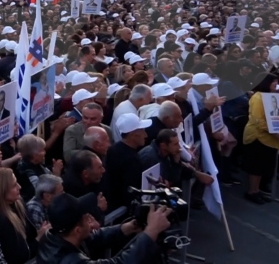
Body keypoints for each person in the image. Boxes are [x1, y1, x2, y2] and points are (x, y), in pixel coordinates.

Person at [36, 193, 170, 264]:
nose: (90, 218)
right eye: (86, 218)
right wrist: (151, 232)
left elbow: (93, 237)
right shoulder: (68, 260)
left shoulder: (54, 235)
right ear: (77, 230)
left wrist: (129, 227)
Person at [243, 73, 279, 204]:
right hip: (258, 137)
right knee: (256, 166)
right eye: (273, 81)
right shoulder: (257, 97)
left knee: (263, 166)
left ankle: (257, 190)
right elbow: (258, 121)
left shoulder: (273, 97)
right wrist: (276, 134)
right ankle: (252, 191)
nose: (275, 83)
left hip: (269, 139)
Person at [0, 167, 33, 264]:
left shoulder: (19, 203)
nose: (19, 187)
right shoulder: (0, 219)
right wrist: (38, 240)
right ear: (2, 190)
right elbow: (17, 257)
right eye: (14, 185)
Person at [105, 113, 151, 210]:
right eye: (142, 130)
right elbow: (130, 192)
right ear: (133, 135)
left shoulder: (113, 149)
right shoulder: (132, 160)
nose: (146, 135)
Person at [15, 135, 62, 202]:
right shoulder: (25, 170)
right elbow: (40, 191)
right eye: (42, 150)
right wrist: (56, 175)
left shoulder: (38, 164)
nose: (45, 153)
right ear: (34, 154)